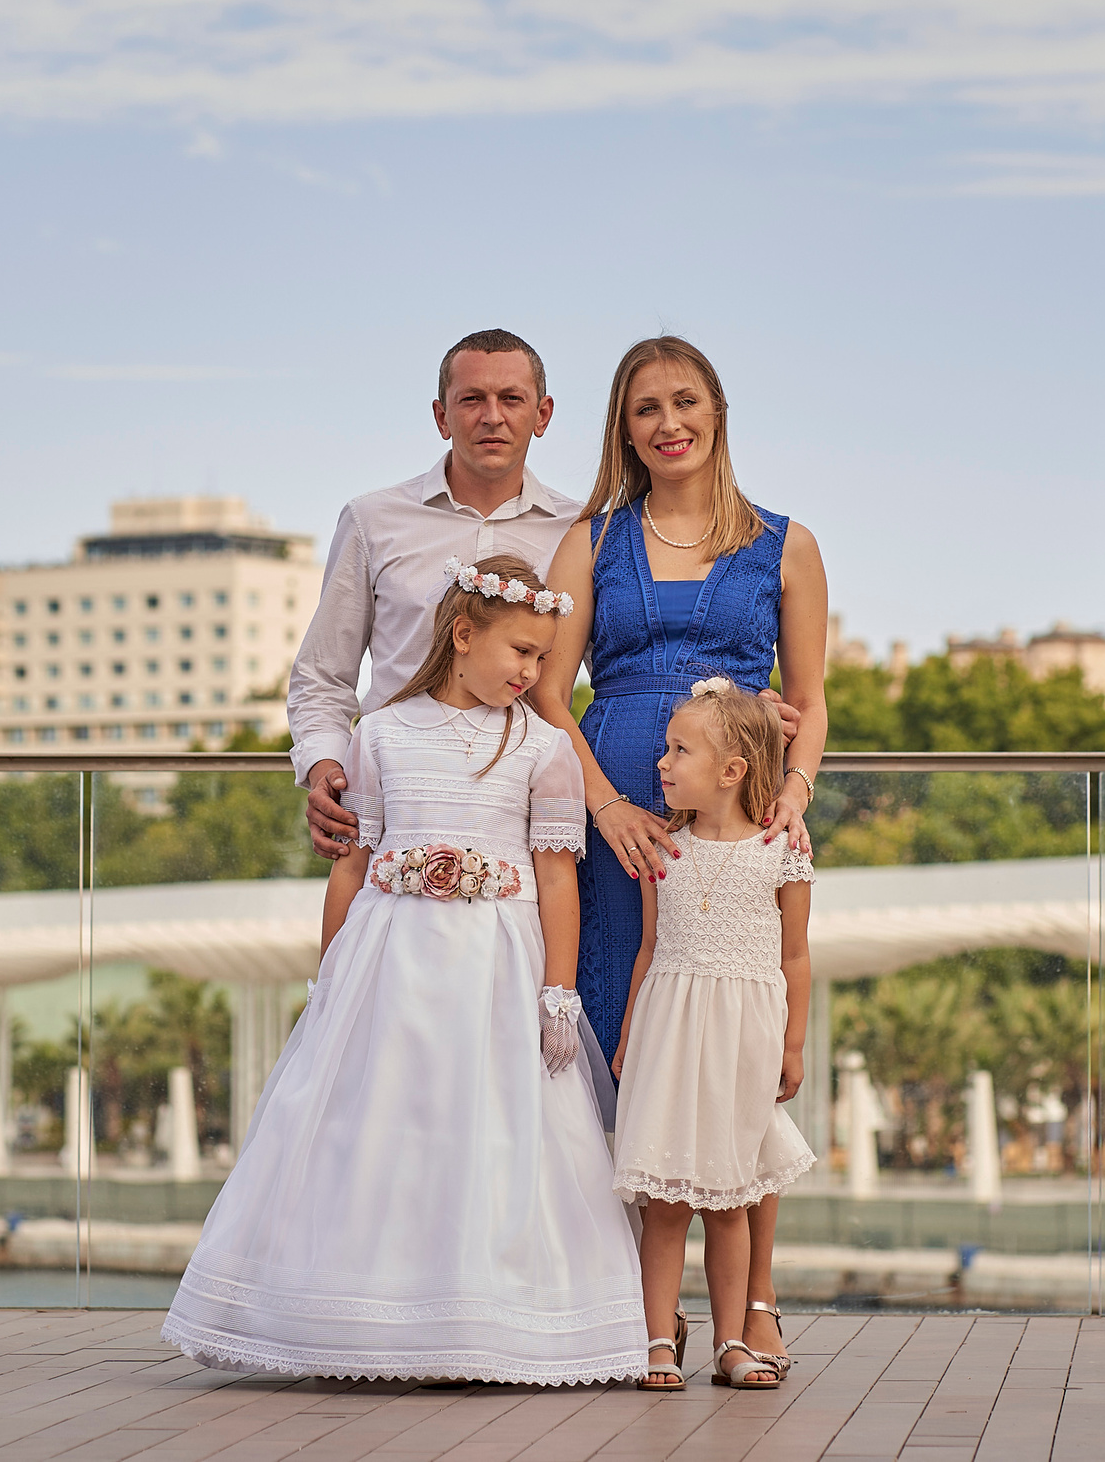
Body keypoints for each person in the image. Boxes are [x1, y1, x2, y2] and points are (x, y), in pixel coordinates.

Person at [163, 556, 645, 1384]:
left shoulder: (543, 747)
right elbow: (352, 865)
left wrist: (558, 989)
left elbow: (557, 876)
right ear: (463, 635)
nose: (534, 673)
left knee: (485, 1130)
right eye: (522, 652)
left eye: (543, 658)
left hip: (495, 965)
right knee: (384, 1125)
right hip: (391, 961)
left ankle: (480, 1322)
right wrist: (332, 975)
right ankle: (356, 1321)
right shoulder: (381, 731)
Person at [531, 334, 829, 1382]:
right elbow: (544, 696)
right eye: (645, 407)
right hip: (619, 820)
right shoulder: (589, 542)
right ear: (622, 427)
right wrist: (606, 804)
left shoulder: (786, 544)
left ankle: (755, 1305)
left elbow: (813, 694)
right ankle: (631, 1304)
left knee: (740, 1049)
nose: (668, 422)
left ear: (717, 412)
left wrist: (791, 788)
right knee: (626, 1029)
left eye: (685, 401)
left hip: (737, 824)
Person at [287, 330, 578, 862]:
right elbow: (323, 674)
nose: (492, 416)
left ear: (543, 414)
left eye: (511, 398)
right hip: (391, 810)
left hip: (530, 818)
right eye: (472, 400)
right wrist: (327, 768)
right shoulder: (372, 521)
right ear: (442, 417)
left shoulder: (580, 531)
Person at [608, 678, 815, 1392]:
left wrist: (792, 1044)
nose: (662, 762)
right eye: (667, 747)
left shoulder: (778, 849)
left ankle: (732, 1338)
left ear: (732, 771)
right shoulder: (663, 848)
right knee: (664, 1206)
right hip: (670, 1032)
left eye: (679, 749)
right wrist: (632, 1030)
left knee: (730, 1201)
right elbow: (647, 948)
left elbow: (796, 956)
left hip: (742, 1041)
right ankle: (658, 1339)